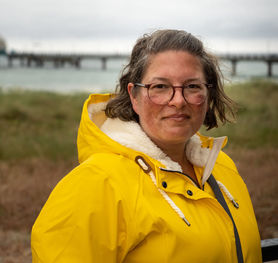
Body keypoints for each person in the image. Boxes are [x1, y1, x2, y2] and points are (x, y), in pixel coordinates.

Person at [31, 29, 262, 262]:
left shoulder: (221, 167)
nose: (178, 101)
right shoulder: (97, 184)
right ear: (134, 96)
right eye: (160, 87)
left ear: (208, 93)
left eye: (192, 86)